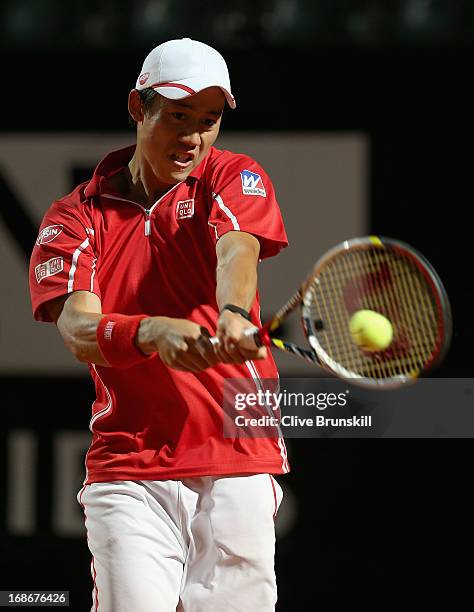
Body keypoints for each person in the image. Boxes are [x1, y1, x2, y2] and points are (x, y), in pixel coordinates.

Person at [29, 37, 289, 612]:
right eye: (177, 116)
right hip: (130, 468)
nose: (193, 136)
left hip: (237, 458)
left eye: (209, 120)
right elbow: (77, 330)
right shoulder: (75, 217)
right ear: (136, 108)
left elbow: (237, 251)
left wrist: (233, 313)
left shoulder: (234, 176)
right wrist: (150, 332)